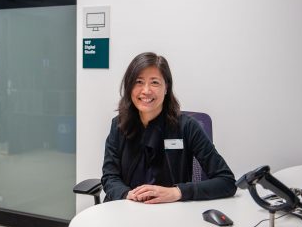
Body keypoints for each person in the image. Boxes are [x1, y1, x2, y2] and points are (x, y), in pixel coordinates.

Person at [101, 52, 236, 203]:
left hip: (172, 213)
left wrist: (177, 192)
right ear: (129, 87)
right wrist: (127, 194)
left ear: (166, 88)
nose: (146, 90)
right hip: (126, 209)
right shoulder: (119, 125)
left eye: (154, 82)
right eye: (138, 82)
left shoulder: (187, 127)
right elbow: (110, 177)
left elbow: (227, 181)